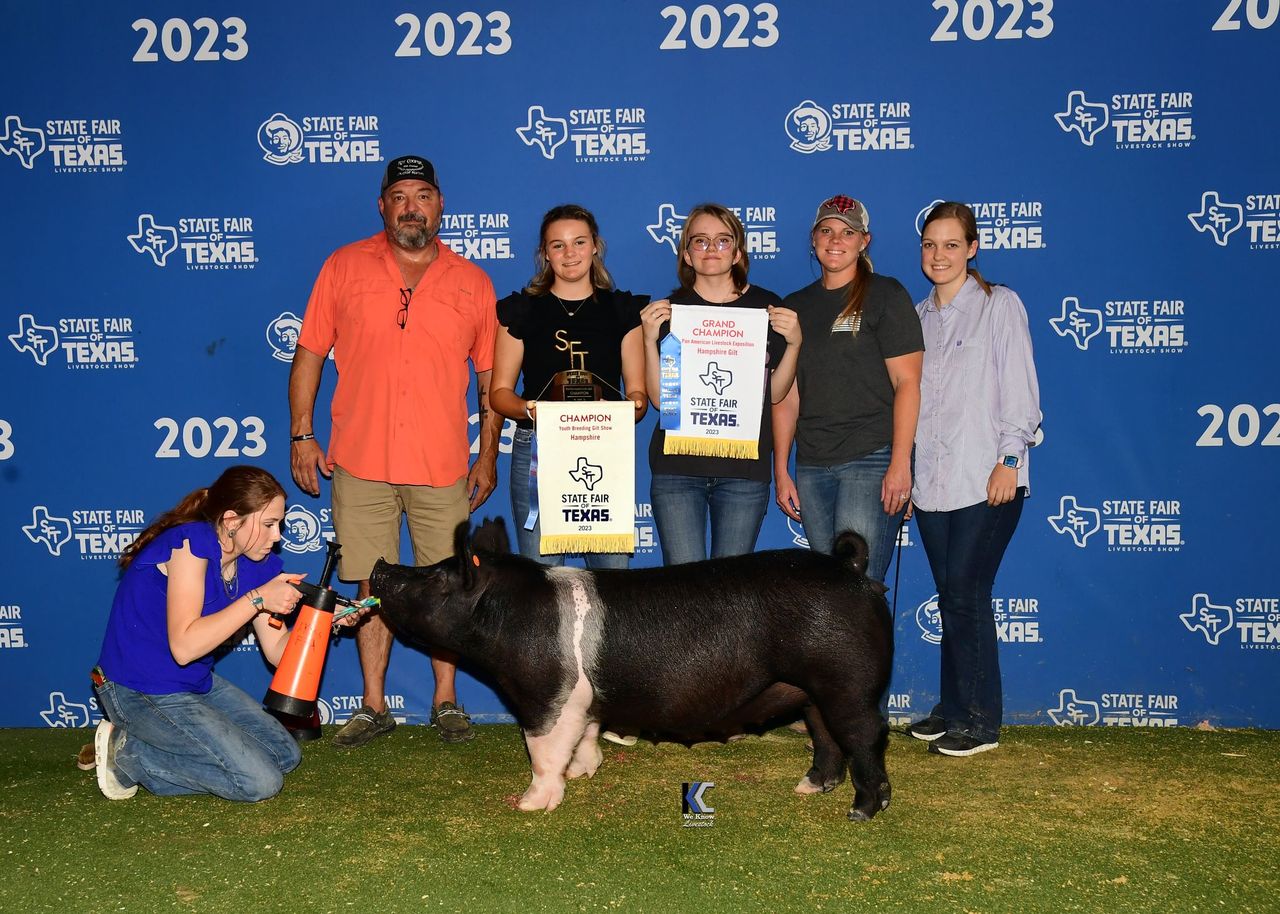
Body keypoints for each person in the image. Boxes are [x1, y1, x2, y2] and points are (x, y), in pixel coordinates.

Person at [289, 155, 502, 748]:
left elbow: (490, 378)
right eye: (400, 196)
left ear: (441, 205)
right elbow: (309, 352)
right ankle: (374, 704)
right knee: (369, 586)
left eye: (423, 196)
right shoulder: (343, 265)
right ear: (382, 205)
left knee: (447, 586)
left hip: (441, 462)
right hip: (360, 459)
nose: (412, 207)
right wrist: (302, 434)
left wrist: (487, 456)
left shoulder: (473, 282)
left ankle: (446, 700)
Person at [905, 201, 1041, 757]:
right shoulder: (916, 317)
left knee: (966, 593)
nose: (939, 255)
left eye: (951, 244)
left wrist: (1010, 458)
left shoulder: (999, 305)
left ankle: (980, 721)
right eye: (930, 245)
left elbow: (1021, 387)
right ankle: (954, 706)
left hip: (987, 477)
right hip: (932, 481)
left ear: (973, 248)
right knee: (951, 597)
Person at [90, 465, 305, 801]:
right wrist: (257, 599)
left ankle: (146, 744)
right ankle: (130, 756)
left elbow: (278, 651)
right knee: (260, 782)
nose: (277, 536)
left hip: (194, 683)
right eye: (268, 524)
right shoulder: (190, 545)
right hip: (137, 688)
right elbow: (185, 647)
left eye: (279, 524)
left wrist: (319, 625)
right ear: (232, 521)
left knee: (285, 755)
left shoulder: (257, 563)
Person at [640, 203, 801, 565]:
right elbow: (661, 400)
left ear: (738, 252)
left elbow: (776, 394)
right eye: (700, 241)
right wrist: (649, 341)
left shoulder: (767, 309)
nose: (711, 249)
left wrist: (793, 345)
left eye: (723, 240)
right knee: (685, 587)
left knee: (731, 590)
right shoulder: (670, 313)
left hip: (743, 471)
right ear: (687, 254)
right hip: (678, 469)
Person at [774, 195, 923, 584]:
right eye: (826, 230)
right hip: (812, 465)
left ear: (864, 241)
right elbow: (787, 396)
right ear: (813, 239)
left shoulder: (886, 295)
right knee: (829, 594)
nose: (835, 240)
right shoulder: (795, 306)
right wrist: (781, 469)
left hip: (871, 459)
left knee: (859, 588)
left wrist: (900, 463)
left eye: (847, 232)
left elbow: (908, 382)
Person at [490, 204, 648, 569]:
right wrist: (529, 409)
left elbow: (637, 393)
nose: (570, 253)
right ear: (545, 253)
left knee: (611, 579)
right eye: (558, 245)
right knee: (540, 578)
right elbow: (499, 394)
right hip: (537, 448)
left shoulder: (622, 310)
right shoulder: (522, 310)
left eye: (579, 242)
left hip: (603, 446)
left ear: (595, 246)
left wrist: (630, 408)